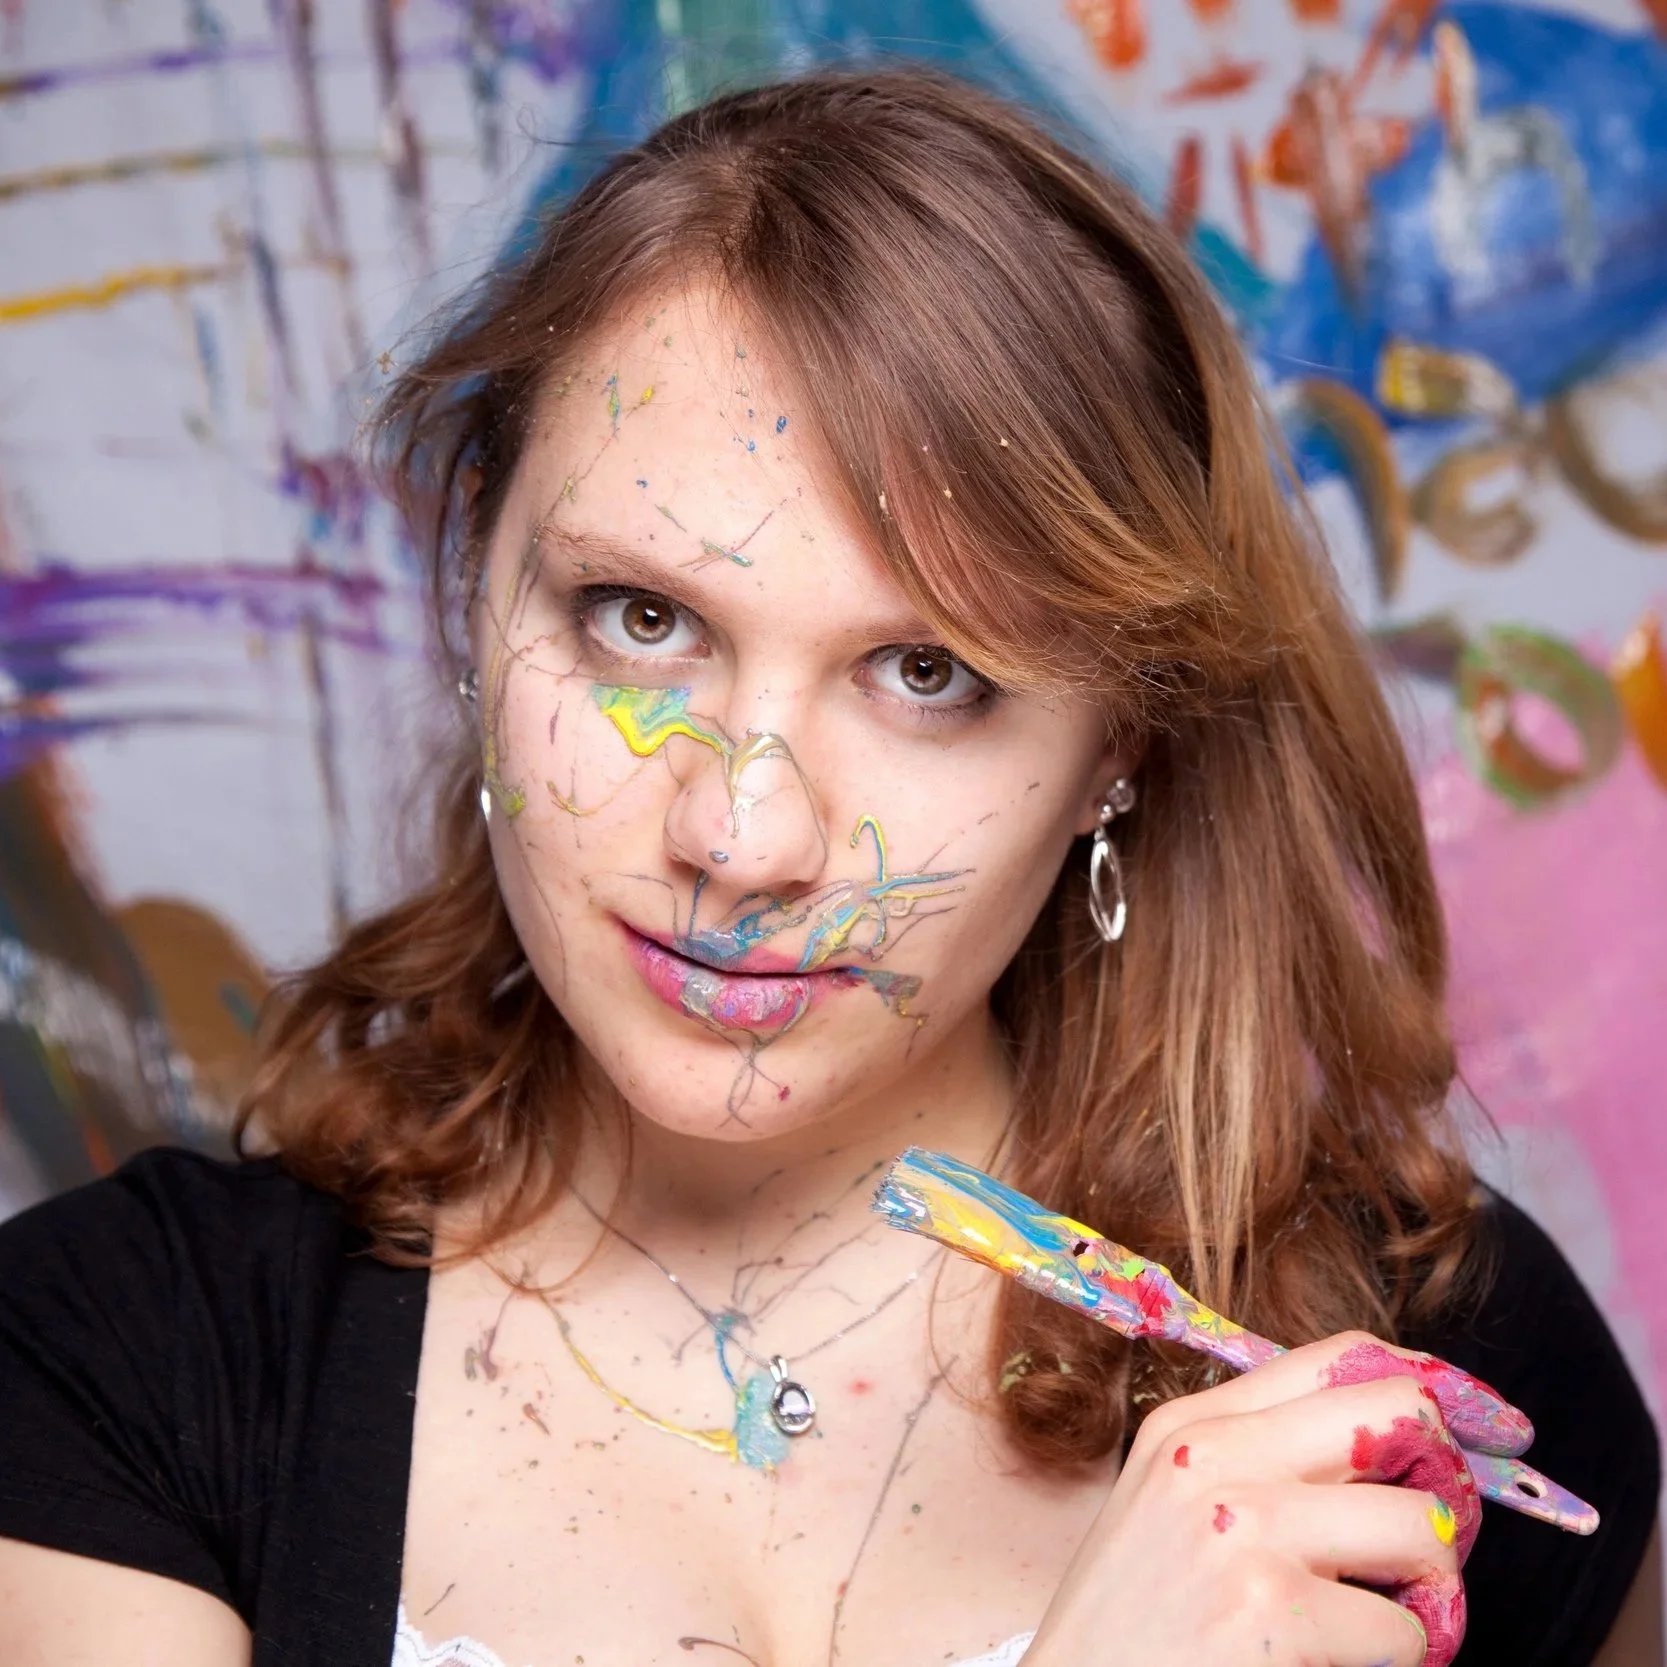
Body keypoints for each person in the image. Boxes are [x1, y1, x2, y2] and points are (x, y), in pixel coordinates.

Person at [0, 68, 1658, 1667]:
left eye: (926, 674)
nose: (738, 838)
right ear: (476, 584)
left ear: (1122, 744)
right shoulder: (110, 1351)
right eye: (641, 619)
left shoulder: (1427, 1382)